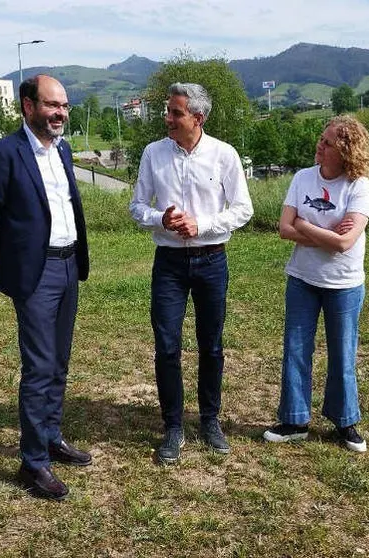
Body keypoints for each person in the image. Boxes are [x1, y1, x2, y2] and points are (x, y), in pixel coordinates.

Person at [0, 75, 91, 500]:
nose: (60, 112)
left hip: (68, 265)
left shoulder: (63, 150)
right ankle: (32, 463)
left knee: (59, 362)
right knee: (39, 367)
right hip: (36, 273)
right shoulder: (3, 154)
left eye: (64, 105)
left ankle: (51, 438)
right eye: (51, 104)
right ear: (27, 106)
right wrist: (16, 264)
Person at [129, 83, 253, 465]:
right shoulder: (153, 153)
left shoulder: (224, 155)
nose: (167, 118)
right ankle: (173, 426)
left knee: (211, 345)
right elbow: (136, 207)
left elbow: (243, 209)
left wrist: (204, 225)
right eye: (168, 111)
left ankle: (210, 420)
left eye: (175, 113)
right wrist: (160, 219)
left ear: (197, 119)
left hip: (212, 260)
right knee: (167, 346)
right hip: (168, 264)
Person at [263, 114, 369, 452]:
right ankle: (294, 420)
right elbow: (284, 228)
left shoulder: (360, 186)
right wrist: (326, 232)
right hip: (302, 279)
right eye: (321, 139)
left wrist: (305, 225)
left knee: (343, 353)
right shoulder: (302, 178)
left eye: (327, 143)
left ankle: (345, 422)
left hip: (344, 284)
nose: (319, 146)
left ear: (345, 150)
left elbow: (345, 243)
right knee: (296, 349)